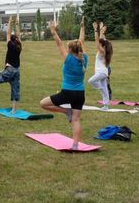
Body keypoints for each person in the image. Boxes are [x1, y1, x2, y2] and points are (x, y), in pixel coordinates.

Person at [40, 17, 87, 150]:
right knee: (76, 120)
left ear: (71, 50)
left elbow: (58, 43)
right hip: (80, 94)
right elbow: (81, 42)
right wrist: (82, 28)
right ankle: (75, 145)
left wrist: (53, 30)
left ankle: (65, 111)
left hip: (67, 93)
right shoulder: (84, 58)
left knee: (43, 104)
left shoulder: (68, 59)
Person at [0, 16, 22, 114]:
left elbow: (8, 33)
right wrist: (16, 23)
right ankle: (13, 110)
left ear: (11, 41)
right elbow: (18, 34)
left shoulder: (10, 45)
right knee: (15, 91)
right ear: (17, 40)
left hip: (9, 70)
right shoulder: (19, 46)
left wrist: (9, 22)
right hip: (16, 71)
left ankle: (3, 78)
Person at [88, 21, 113, 110]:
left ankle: (101, 89)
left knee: (90, 81)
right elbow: (102, 39)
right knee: (105, 89)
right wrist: (101, 30)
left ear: (102, 45)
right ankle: (106, 106)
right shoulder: (105, 49)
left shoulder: (102, 51)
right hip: (103, 72)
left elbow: (97, 40)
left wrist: (95, 30)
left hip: (102, 72)